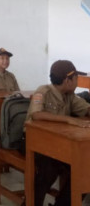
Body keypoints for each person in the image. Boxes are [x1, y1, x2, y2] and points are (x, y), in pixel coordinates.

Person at [26, 60, 90, 206]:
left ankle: (62, 204)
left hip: (60, 145)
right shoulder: (43, 91)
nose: (77, 81)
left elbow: (86, 109)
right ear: (68, 80)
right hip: (36, 143)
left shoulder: (70, 96)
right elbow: (36, 115)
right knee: (49, 169)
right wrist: (67, 119)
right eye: (76, 78)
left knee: (84, 168)